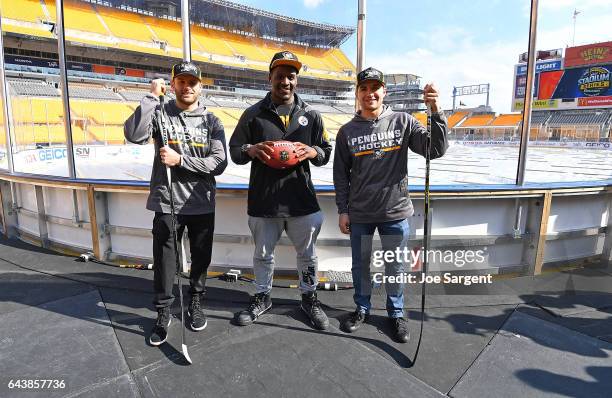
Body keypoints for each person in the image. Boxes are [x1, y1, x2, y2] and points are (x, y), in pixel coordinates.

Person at [333, 67, 448, 342]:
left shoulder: (403, 121)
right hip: (360, 213)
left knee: (395, 266)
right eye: (364, 88)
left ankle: (396, 313)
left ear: (384, 91)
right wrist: (343, 209)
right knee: (360, 265)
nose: (370, 93)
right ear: (358, 93)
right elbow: (340, 175)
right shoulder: (347, 131)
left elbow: (434, 149)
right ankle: (362, 308)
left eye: (375, 88)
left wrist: (436, 111)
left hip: (395, 212)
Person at [124, 61, 227, 346]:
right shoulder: (160, 112)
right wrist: (150, 98)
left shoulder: (212, 121)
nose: (187, 86)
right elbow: (134, 135)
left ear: (200, 86)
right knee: (165, 263)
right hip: (166, 201)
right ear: (173, 85)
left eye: (192, 81)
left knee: (201, 259)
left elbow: (219, 162)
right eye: (181, 81)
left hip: (201, 203)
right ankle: (163, 312)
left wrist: (181, 160)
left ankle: (195, 302)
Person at [229, 51, 332, 330]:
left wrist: (312, 151)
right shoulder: (252, 114)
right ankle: (262, 296)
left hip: (302, 200)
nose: (285, 81)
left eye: (291, 76)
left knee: (308, 255)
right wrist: (250, 149)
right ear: (270, 78)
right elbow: (235, 151)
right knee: (263, 254)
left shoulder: (311, 114)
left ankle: (309, 297)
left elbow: (326, 151)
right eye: (280, 76)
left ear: (296, 80)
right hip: (265, 201)